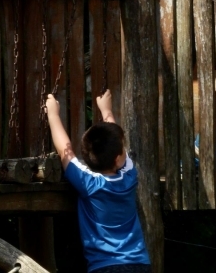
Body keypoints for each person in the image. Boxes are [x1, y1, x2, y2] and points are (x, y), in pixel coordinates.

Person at [45, 90, 151, 273]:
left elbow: (65, 151)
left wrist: (53, 114)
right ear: (118, 159)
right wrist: (106, 111)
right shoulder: (129, 175)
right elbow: (118, 146)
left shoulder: (87, 183)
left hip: (104, 266)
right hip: (139, 263)